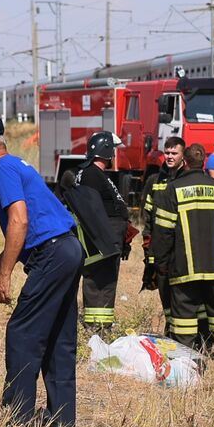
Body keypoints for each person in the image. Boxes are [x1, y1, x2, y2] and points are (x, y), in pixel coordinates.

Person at [0, 118, 83, 427]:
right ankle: (62, 422)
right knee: (59, 337)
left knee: (22, 333)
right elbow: (30, 235)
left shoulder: (2, 170)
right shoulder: (19, 164)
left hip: (53, 255)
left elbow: (19, 222)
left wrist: (5, 277)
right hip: (68, 249)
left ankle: (17, 418)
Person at [151, 143, 214, 359]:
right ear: (203, 163)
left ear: (185, 161)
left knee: (184, 311)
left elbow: (162, 233)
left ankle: (186, 353)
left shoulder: (172, 190)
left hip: (184, 265)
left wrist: (160, 263)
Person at [75, 131, 128, 331]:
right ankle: (99, 327)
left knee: (101, 281)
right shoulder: (91, 174)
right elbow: (91, 210)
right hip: (103, 240)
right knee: (102, 282)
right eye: (112, 150)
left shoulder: (91, 174)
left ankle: (98, 326)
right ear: (106, 151)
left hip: (107, 237)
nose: (113, 154)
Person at [142, 136, 185, 325]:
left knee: (183, 293)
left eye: (174, 153)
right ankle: (171, 327)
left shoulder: (187, 179)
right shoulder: (155, 180)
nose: (169, 156)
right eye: (167, 152)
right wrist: (148, 244)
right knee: (164, 289)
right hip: (160, 247)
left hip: (183, 245)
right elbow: (148, 216)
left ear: (183, 155)